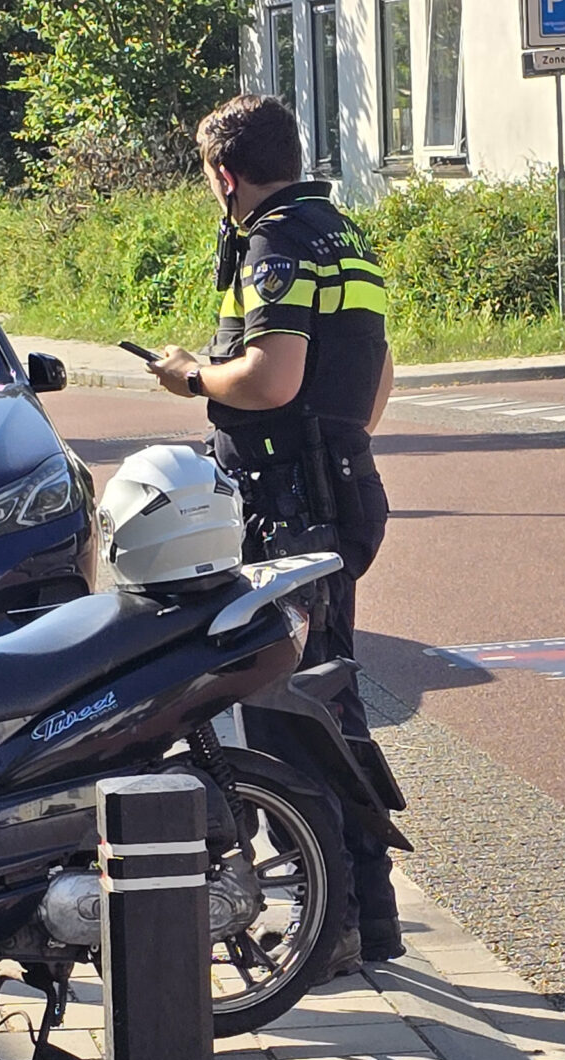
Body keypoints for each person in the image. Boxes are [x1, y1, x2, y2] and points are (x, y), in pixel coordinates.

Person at [151, 94, 402, 968]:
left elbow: (269, 379)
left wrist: (192, 376)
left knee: (291, 710)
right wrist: (343, 451)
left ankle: (333, 923)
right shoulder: (342, 233)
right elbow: (379, 376)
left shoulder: (275, 244)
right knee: (327, 699)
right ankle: (365, 914)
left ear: (225, 172)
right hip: (338, 489)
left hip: (288, 501)